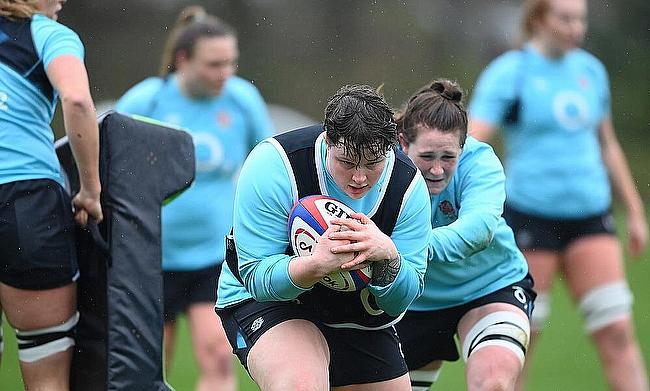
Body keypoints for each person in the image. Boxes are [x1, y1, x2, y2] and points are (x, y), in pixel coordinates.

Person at [469, 0, 649, 390]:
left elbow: (608, 145)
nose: (575, 28)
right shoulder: (509, 74)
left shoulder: (590, 71)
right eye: (565, 19)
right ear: (539, 20)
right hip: (530, 217)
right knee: (522, 337)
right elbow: (472, 143)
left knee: (617, 329)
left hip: (591, 217)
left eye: (580, 19)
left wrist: (634, 210)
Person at [215, 84, 431, 390]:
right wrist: (316, 265)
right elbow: (255, 276)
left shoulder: (406, 186)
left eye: (373, 164)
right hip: (271, 301)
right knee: (301, 384)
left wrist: (389, 259)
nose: (359, 177)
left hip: (357, 313)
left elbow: (403, 298)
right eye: (346, 163)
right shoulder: (276, 164)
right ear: (327, 141)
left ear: (391, 146)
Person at [114, 5, 273, 391]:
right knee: (148, 368)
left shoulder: (241, 100)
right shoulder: (146, 102)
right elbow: (109, 168)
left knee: (220, 354)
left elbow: (269, 165)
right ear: (183, 60)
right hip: (149, 258)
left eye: (231, 63)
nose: (226, 73)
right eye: (215, 64)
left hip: (214, 256)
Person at [393, 79, 535, 391]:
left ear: (463, 145)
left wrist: (394, 251)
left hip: (489, 286)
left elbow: (479, 230)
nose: (437, 169)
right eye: (427, 156)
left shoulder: (481, 162)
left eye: (448, 157)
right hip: (411, 301)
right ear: (403, 143)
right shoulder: (383, 168)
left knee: (493, 383)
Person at [0, 0, 102, 389]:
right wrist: (90, 189)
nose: (61, 1)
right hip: (24, 200)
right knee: (45, 366)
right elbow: (76, 100)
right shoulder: (47, 34)